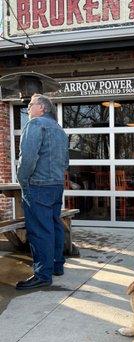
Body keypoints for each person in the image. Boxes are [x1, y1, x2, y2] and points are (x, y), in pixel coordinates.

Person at [16, 94, 69, 290]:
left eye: (31, 105)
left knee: (39, 230)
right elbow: (65, 162)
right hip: (56, 185)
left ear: (42, 108)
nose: (28, 109)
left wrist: (23, 180)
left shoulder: (35, 125)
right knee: (54, 225)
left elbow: (28, 158)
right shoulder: (60, 131)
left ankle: (42, 274)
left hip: (38, 185)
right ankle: (56, 266)